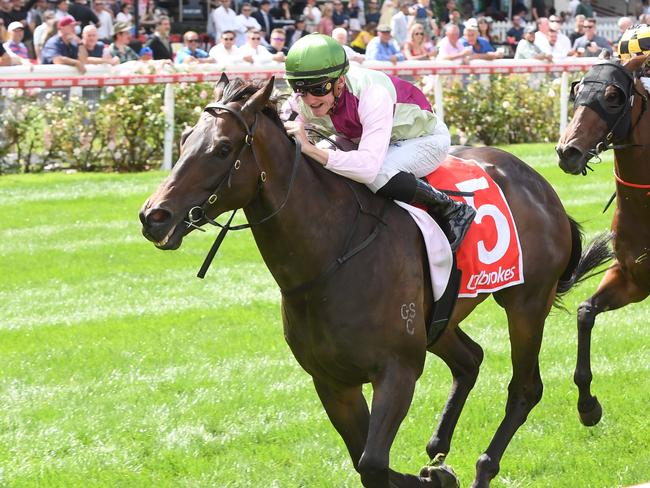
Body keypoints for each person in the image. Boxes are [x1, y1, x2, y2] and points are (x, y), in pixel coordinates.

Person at [281, 34, 475, 251]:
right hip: (369, 138)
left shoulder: (372, 94)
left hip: (424, 138)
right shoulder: (302, 98)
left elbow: (367, 168)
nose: (310, 99)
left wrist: (309, 148)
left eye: (319, 89)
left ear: (340, 82)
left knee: (378, 174)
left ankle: (450, 208)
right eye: (301, 88)